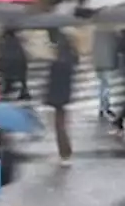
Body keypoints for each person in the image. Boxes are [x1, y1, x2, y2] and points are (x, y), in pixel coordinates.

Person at [45, 31, 76, 165]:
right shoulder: (69, 58)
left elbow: (53, 81)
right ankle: (65, 153)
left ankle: (65, 154)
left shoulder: (59, 62)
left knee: (59, 126)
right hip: (64, 96)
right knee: (61, 125)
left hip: (58, 97)